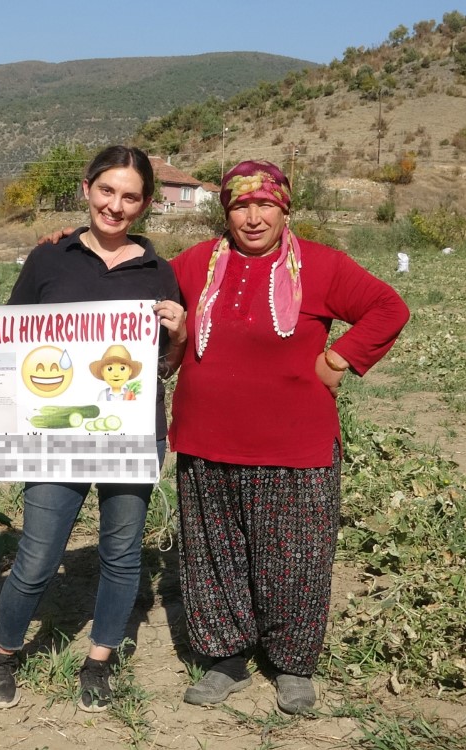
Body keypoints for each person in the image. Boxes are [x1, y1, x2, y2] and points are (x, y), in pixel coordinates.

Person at [167, 160, 408, 714]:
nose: (252, 217)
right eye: (240, 205)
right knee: (213, 554)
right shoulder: (195, 264)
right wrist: (76, 241)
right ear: (225, 211)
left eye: (264, 205)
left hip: (295, 446)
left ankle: (293, 664)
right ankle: (225, 658)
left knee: (295, 557)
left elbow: (387, 308)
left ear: (284, 208)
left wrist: (341, 356)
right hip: (207, 440)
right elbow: (135, 280)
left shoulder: (322, 266)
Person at [0, 146, 187, 713]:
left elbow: (165, 368)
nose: (115, 206)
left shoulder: (158, 270)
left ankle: (98, 661)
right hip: (56, 434)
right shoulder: (50, 258)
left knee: (122, 555)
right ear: (87, 188)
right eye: (106, 191)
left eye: (130, 197)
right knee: (38, 555)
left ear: (145, 204)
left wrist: (177, 333)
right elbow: (11, 339)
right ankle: (5, 653)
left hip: (131, 434)